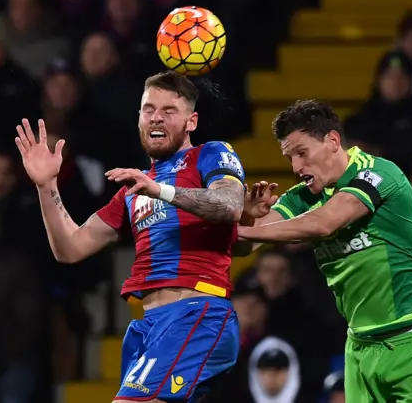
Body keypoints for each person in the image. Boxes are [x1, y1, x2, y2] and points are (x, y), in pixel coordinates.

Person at [15, 71, 245, 403]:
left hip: (197, 312)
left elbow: (230, 204)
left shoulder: (209, 155)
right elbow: (71, 247)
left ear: (191, 121)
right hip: (149, 325)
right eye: (149, 109)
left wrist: (161, 190)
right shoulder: (133, 190)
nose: (156, 117)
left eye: (169, 111)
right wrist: (46, 185)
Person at [237, 100, 412, 402]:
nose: (296, 167)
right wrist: (248, 218)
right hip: (360, 347)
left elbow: (325, 223)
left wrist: (243, 228)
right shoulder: (303, 197)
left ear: (333, 141)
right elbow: (244, 247)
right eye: (289, 158)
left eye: (302, 153)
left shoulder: (379, 173)